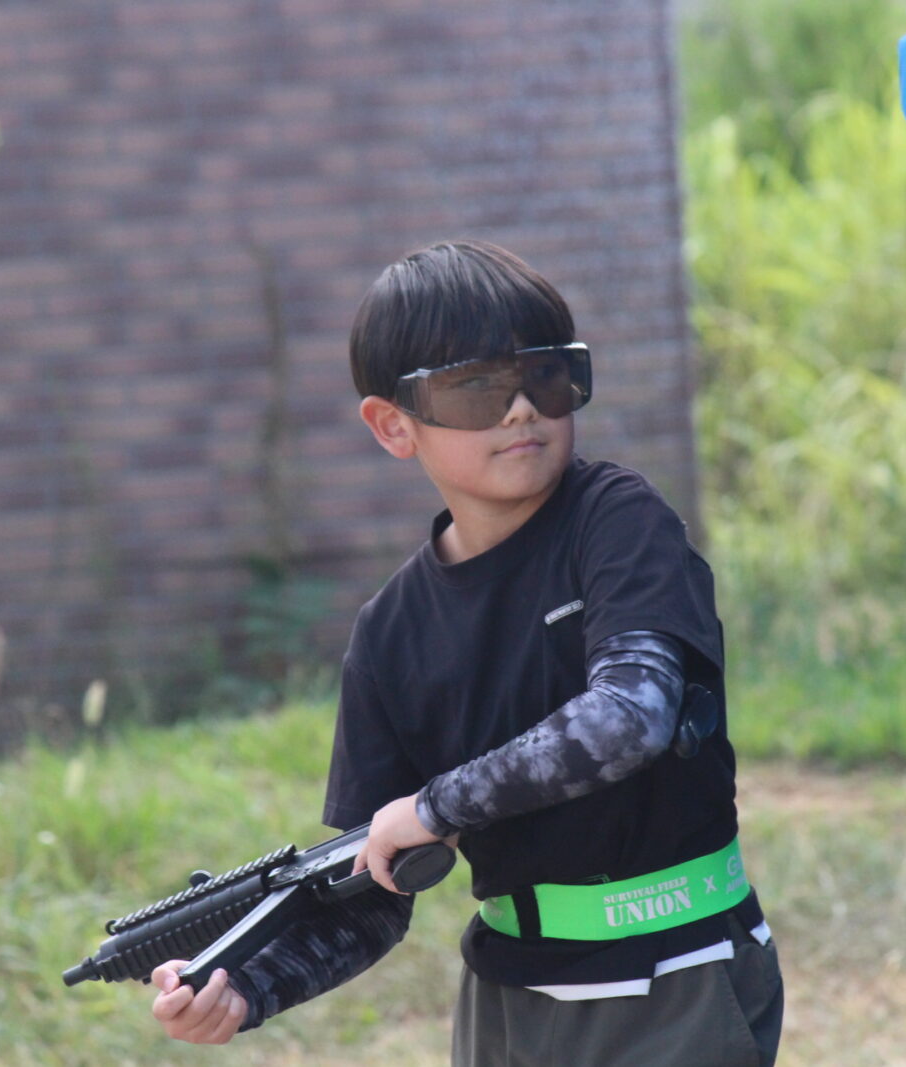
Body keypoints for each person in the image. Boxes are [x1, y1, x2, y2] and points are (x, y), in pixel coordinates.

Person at [148, 239, 784, 1065]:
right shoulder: (390, 633)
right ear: (393, 424)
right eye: (476, 386)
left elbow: (632, 715)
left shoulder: (618, 519)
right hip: (505, 1001)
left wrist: (436, 805)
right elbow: (378, 885)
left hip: (678, 971)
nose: (520, 409)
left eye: (546, 376)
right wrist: (246, 987)